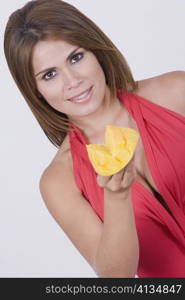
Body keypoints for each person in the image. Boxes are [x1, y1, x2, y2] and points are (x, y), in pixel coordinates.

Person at [4, 0, 185, 278]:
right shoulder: (59, 181)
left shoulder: (176, 92)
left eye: (76, 57)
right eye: (49, 74)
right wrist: (116, 198)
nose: (72, 80)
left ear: (96, 50)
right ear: (36, 90)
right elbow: (115, 279)